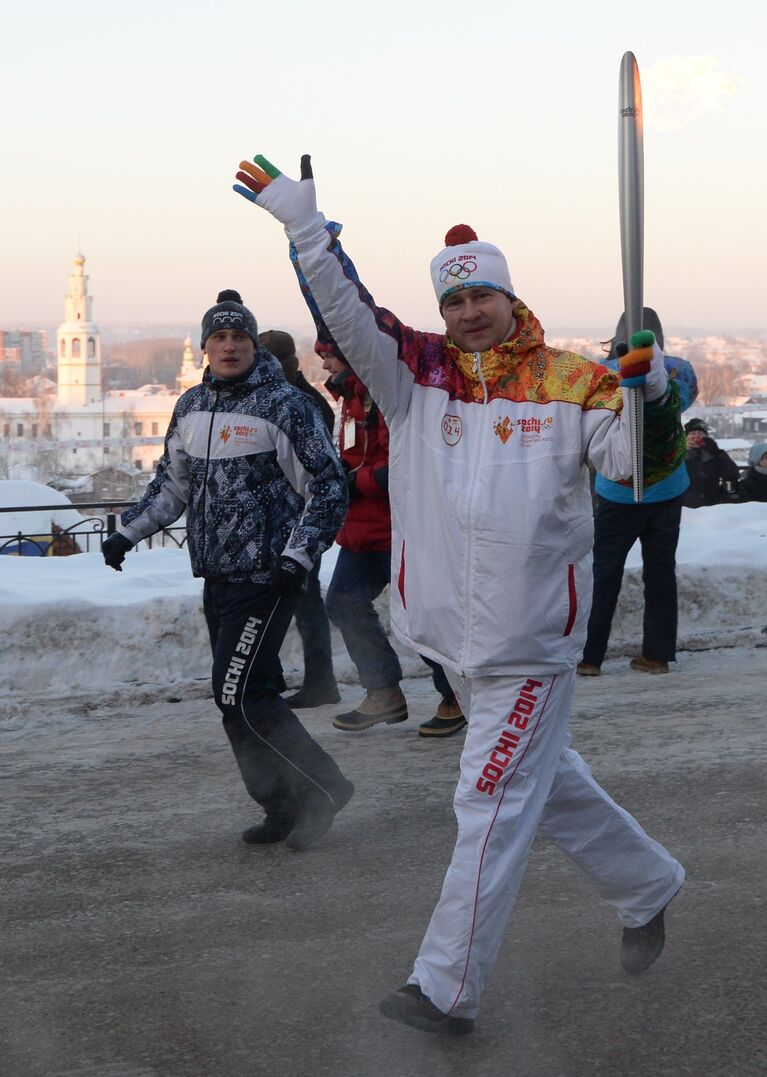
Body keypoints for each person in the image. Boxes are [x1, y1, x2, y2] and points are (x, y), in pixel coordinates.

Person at [232, 156, 685, 1031]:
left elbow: (642, 468)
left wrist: (650, 392)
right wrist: (303, 229)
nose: (470, 312)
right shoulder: (412, 379)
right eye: (454, 300)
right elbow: (346, 311)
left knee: (486, 797)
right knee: (540, 783)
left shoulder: (571, 380)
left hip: (527, 642)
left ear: (510, 298)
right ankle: (648, 882)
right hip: (446, 635)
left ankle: (443, 989)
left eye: (483, 295)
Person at [101, 290, 353, 851]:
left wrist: (299, 554)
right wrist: (127, 532)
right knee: (240, 694)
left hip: (269, 574)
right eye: (220, 337)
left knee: (237, 693)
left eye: (240, 336)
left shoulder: (284, 405)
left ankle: (323, 789)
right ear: (204, 347)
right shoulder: (192, 407)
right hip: (218, 574)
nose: (230, 345)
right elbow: (172, 486)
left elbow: (329, 487)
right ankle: (281, 803)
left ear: (254, 343)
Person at [317, 337, 466, 737]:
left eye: (328, 355)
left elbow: (402, 462)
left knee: (421, 617)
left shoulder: (385, 395)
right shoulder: (349, 399)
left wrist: (351, 481)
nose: (325, 365)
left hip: (401, 531)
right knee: (344, 603)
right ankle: (383, 691)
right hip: (364, 530)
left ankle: (458, 695)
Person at [577, 307, 696, 677]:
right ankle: (657, 654)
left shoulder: (599, 374)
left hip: (617, 490)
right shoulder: (680, 371)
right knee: (661, 572)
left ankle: (589, 657)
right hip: (669, 487)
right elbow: (685, 399)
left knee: (603, 572)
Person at [257, 328, 341, 707]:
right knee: (274, 603)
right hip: (275, 520)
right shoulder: (283, 399)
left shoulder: (304, 404)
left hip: (299, 521)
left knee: (304, 604)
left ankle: (321, 683)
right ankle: (271, 679)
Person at [681, 418, 741, 508]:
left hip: (712, 506)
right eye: (692, 433)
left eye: (701, 434)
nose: (697, 436)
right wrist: (681, 451)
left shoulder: (714, 455)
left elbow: (732, 475)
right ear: (686, 437)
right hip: (686, 507)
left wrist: (717, 452)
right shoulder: (678, 455)